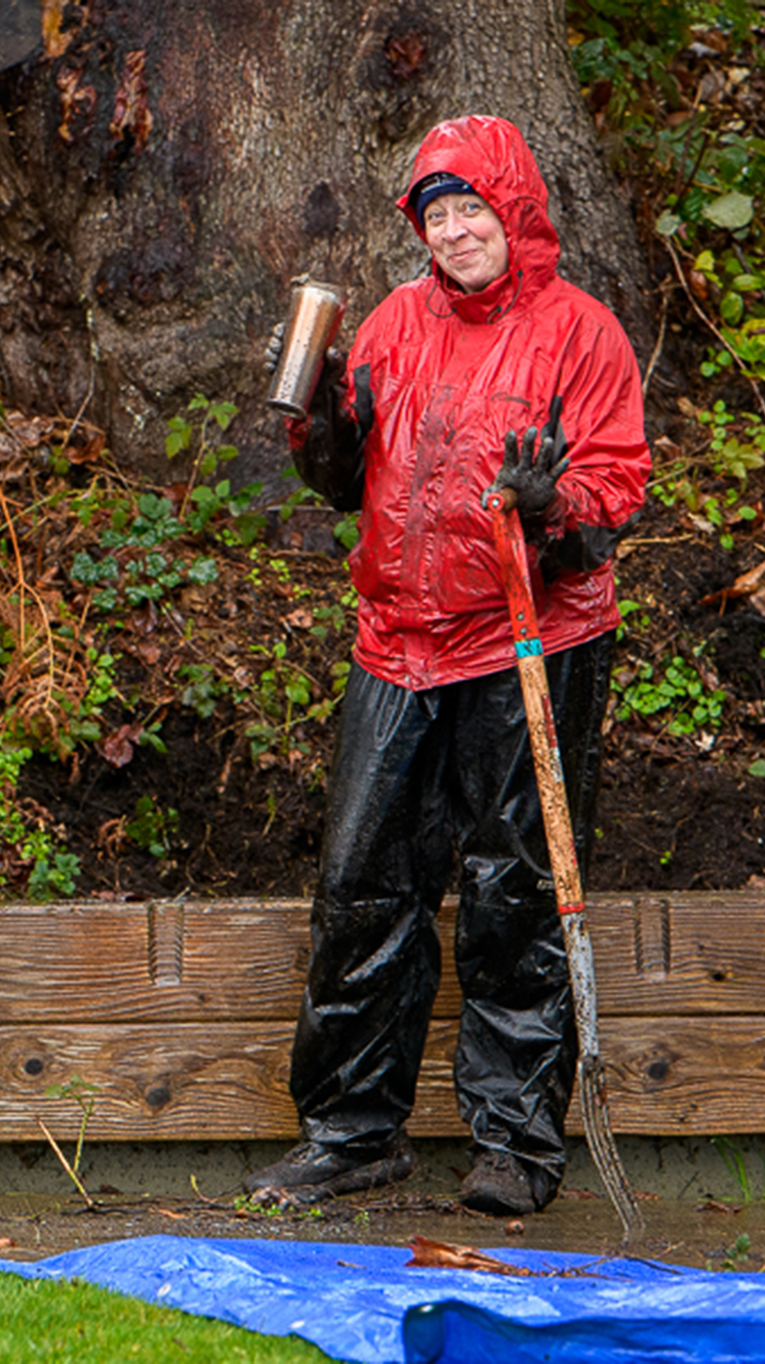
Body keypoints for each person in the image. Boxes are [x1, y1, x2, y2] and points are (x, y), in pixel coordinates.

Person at [246, 114, 650, 1215]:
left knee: (514, 890)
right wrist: (320, 422)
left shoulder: (581, 334)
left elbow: (614, 489)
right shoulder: (390, 325)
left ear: (515, 212)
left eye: (473, 208)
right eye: (437, 214)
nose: (456, 230)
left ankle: (515, 1142)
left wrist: (552, 503)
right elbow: (350, 485)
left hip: (529, 641)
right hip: (397, 641)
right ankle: (349, 1133)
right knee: (361, 887)